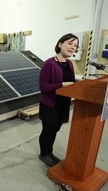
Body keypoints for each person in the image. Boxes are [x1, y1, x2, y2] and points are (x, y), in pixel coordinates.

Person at [38, 33, 78, 167]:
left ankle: (50, 152)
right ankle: (43, 154)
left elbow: (71, 81)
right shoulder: (49, 63)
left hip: (63, 104)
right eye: (70, 43)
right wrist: (63, 84)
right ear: (60, 44)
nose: (73, 47)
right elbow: (43, 87)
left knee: (55, 130)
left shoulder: (70, 64)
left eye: (75, 46)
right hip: (50, 104)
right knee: (48, 131)